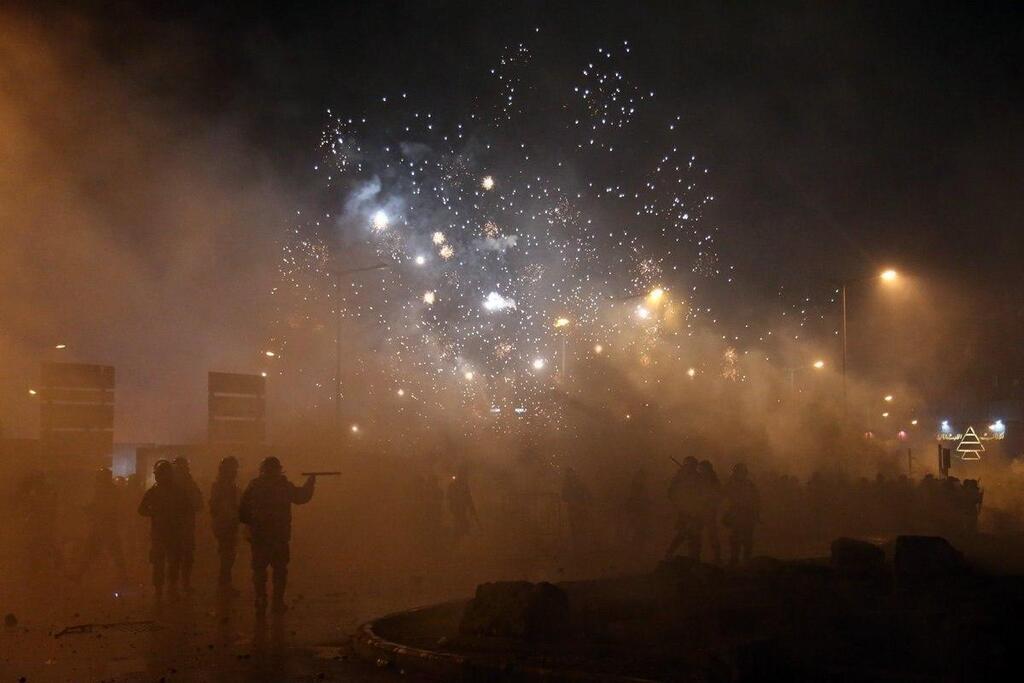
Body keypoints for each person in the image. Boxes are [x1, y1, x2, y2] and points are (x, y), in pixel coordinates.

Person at [239, 457, 315, 617]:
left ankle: (261, 599)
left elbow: (242, 510)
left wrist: (251, 525)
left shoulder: (255, 486)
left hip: (260, 536)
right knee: (279, 571)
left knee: (260, 571)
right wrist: (310, 483)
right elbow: (302, 497)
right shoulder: (283, 486)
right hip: (279, 537)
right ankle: (277, 602)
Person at [138, 460, 190, 603]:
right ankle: (161, 590)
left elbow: (187, 509)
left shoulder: (174, 491)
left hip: (171, 532)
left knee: (172, 562)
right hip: (161, 533)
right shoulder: (155, 491)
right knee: (161, 563)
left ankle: (168, 589)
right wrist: (154, 512)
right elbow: (141, 510)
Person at [76, 467, 127, 582]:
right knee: (92, 550)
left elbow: (106, 508)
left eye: (99, 477)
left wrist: (91, 509)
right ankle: (79, 574)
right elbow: (97, 505)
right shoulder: (104, 490)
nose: (97, 479)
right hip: (102, 526)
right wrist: (89, 509)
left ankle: (79, 574)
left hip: (107, 526)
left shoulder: (110, 491)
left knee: (112, 551)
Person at [209, 456, 241, 595]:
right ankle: (224, 585)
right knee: (227, 557)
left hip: (226, 524)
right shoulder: (222, 486)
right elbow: (217, 506)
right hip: (225, 524)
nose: (235, 472)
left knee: (228, 556)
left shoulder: (225, 485)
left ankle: (225, 584)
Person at [173, 456, 203, 594]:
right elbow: (199, 504)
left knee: (178, 556)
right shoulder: (188, 484)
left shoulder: (170, 484)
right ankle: (182, 584)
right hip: (180, 525)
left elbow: (199, 503)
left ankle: (175, 585)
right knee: (183, 556)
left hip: (177, 525)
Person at [722, 463, 760, 566]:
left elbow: (756, 500)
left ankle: (746, 560)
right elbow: (722, 495)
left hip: (747, 514)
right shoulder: (730, 484)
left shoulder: (750, 485)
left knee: (747, 539)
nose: (738, 474)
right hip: (736, 514)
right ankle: (735, 559)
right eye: (737, 472)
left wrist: (756, 514)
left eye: (740, 472)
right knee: (735, 538)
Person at [665, 456, 702, 560]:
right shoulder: (680, 477)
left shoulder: (697, 477)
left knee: (695, 535)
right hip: (685, 510)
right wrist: (679, 503)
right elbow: (671, 492)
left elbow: (703, 492)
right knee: (683, 533)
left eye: (693, 465)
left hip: (695, 510)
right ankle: (669, 554)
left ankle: (694, 558)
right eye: (689, 465)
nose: (691, 467)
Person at [561, 467, 593, 554]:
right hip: (574, 509)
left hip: (578, 508)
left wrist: (587, 502)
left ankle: (581, 546)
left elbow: (588, 494)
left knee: (580, 527)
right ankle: (579, 547)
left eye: (571, 473)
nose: (571, 475)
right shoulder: (570, 484)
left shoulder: (576, 484)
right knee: (577, 528)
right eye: (569, 474)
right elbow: (564, 497)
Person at [696, 460, 722, 564]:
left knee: (712, 534)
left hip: (709, 510)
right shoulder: (698, 479)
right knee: (696, 534)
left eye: (703, 468)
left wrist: (710, 499)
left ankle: (717, 556)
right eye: (701, 468)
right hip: (698, 510)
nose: (701, 470)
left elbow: (718, 494)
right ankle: (695, 556)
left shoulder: (713, 480)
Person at [623, 468, 653, 554]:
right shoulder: (636, 487)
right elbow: (634, 499)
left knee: (638, 529)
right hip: (637, 511)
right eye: (642, 476)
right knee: (636, 528)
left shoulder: (639, 487)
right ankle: (634, 548)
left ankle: (636, 547)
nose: (643, 478)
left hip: (640, 511)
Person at [447, 463, 479, 543]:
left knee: (461, 524)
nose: (466, 476)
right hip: (458, 509)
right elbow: (467, 498)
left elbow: (468, 498)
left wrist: (472, 509)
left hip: (459, 509)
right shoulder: (459, 485)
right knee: (461, 525)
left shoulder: (459, 484)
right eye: (465, 473)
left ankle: (459, 542)